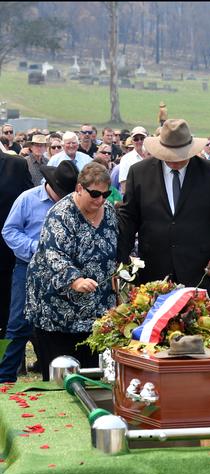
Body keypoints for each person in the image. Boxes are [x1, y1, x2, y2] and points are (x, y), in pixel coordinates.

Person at [117, 119, 210, 298]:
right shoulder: (139, 173)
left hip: (200, 270)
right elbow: (128, 219)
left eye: (180, 155)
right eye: (169, 155)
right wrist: (122, 259)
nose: (175, 161)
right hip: (153, 272)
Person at [25, 163, 118, 380]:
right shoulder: (60, 214)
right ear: (79, 188)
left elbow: (117, 246)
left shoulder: (110, 213)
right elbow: (54, 255)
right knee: (61, 373)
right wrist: (75, 279)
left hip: (96, 308)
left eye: (105, 194)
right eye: (94, 194)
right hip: (57, 308)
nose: (100, 200)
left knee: (93, 373)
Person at [0, 161, 78, 382]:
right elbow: (9, 230)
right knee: (16, 324)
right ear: (49, 185)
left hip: (61, 271)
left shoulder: (71, 203)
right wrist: (36, 249)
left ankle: (52, 374)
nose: (63, 198)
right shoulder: (27, 198)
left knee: (54, 324)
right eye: (60, 193)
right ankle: (4, 377)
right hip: (26, 267)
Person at [0, 151, 33, 339]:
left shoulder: (17, 165)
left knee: (8, 316)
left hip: (9, 255)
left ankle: (5, 362)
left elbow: (32, 206)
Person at [118, 126, 149, 194]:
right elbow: (124, 187)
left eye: (142, 138)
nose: (139, 141)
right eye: (136, 139)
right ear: (132, 141)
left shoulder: (154, 156)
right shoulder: (126, 159)